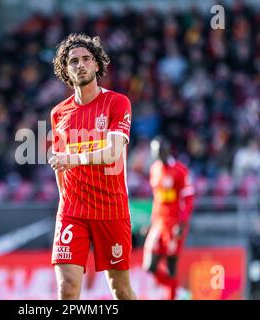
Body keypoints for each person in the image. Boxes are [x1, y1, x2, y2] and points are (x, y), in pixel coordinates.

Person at [48, 33, 136, 300]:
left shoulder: (117, 103)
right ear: (66, 70)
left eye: (87, 59)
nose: (81, 65)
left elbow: (112, 153)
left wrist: (72, 159)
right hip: (73, 211)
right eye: (73, 61)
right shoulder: (58, 113)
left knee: (120, 289)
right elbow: (59, 167)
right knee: (67, 288)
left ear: (97, 64)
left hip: (110, 208)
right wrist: (65, 203)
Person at [142, 137, 195, 300]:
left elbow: (188, 198)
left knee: (171, 266)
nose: (157, 154)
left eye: (159, 151)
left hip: (174, 224)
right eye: (154, 151)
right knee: (149, 265)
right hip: (158, 223)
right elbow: (156, 199)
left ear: (166, 150)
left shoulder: (180, 170)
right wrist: (151, 223)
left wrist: (182, 222)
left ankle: (172, 295)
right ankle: (177, 291)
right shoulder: (154, 169)